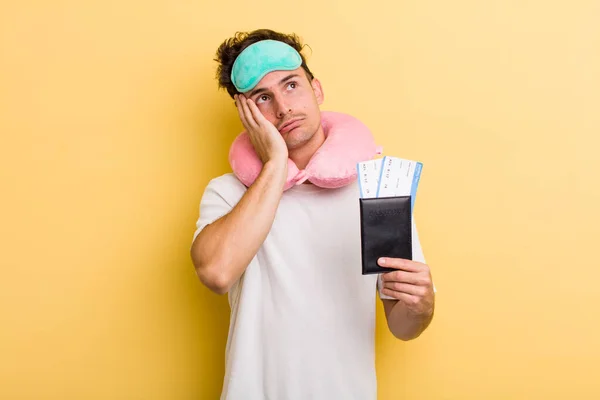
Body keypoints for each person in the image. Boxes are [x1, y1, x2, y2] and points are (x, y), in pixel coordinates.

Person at [190, 28, 435, 400]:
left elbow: (402, 325)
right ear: (246, 114)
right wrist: (276, 163)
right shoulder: (227, 193)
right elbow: (216, 272)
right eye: (262, 98)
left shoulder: (376, 187)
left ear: (316, 89)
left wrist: (422, 306)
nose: (283, 108)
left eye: (291, 86)